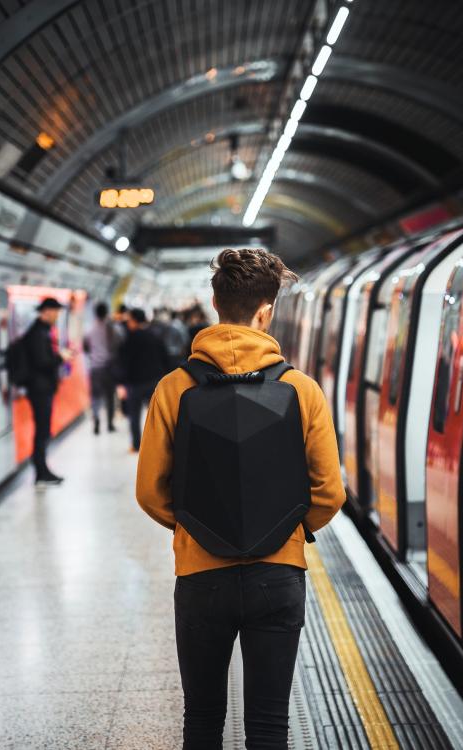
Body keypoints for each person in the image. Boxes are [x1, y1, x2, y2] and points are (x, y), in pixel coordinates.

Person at [136, 248, 346, 749]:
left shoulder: (174, 388)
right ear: (266, 310)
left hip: (200, 577)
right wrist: (291, 529)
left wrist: (193, 526)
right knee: (270, 725)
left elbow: (149, 490)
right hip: (278, 575)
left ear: (214, 302)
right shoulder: (302, 389)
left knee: (203, 719)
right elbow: (329, 491)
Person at [25, 297, 72, 486]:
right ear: (46, 311)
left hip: (41, 388)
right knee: (42, 430)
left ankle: (42, 469)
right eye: (56, 312)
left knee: (43, 430)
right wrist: (60, 357)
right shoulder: (38, 334)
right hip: (39, 389)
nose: (57, 316)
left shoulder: (41, 331)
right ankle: (41, 471)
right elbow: (42, 362)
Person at [117, 308, 170, 452]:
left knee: (134, 415)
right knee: (156, 415)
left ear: (134, 321)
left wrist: (121, 383)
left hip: (135, 384)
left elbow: (124, 362)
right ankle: (161, 445)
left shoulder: (130, 339)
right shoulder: (155, 336)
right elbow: (165, 358)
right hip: (154, 381)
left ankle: (136, 445)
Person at [83, 302, 118, 435]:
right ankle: (110, 423)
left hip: (95, 368)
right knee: (110, 396)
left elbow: (85, 347)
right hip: (109, 367)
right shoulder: (111, 329)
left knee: (95, 396)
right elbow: (118, 344)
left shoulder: (89, 329)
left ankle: (96, 419)